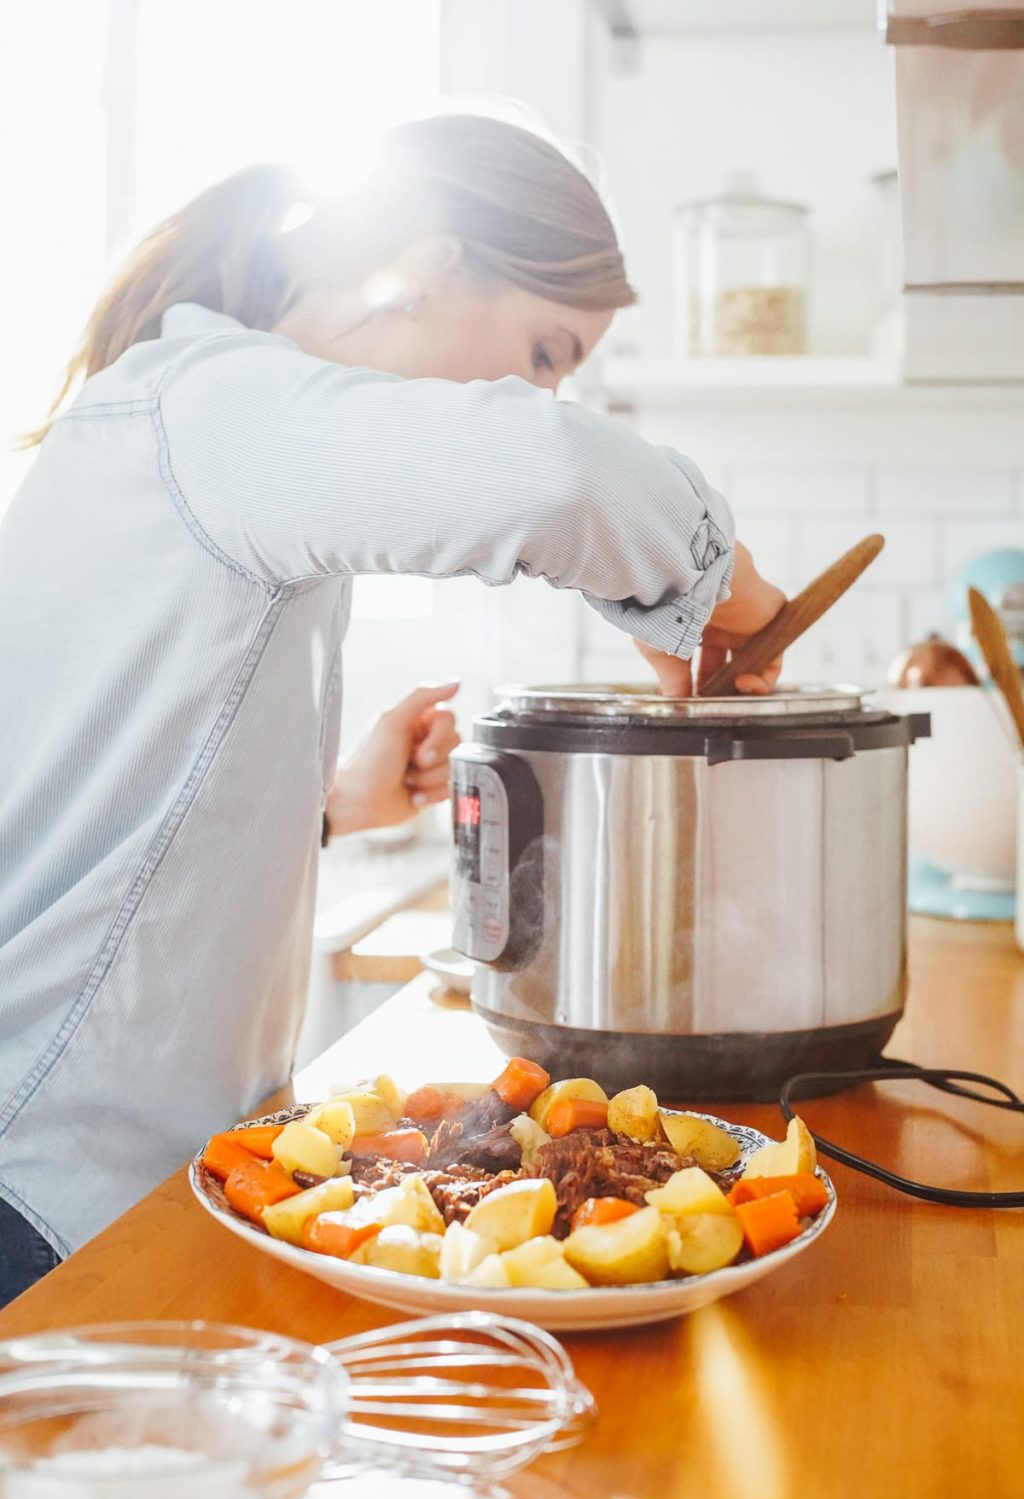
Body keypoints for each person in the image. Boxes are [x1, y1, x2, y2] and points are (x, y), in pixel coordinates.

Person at [0, 113, 784, 1307]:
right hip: (44, 1189)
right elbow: (553, 474)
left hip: (90, 1179)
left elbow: (97, 798)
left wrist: (328, 810)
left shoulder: (196, 421)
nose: (538, 392)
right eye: (541, 352)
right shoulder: (217, 407)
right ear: (430, 263)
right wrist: (725, 588)